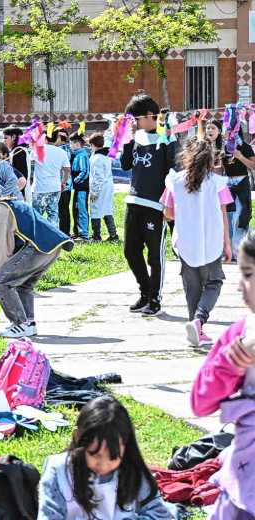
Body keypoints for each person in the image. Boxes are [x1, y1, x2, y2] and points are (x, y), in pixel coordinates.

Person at [190, 230, 255, 519]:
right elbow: (200, 402)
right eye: (242, 273)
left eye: (250, 274)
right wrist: (230, 365)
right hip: (244, 482)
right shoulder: (240, 335)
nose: (241, 285)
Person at [38, 395, 173, 520]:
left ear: (126, 446)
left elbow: (161, 515)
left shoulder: (133, 471)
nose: (103, 465)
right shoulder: (59, 470)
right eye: (95, 455)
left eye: (113, 457)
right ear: (78, 438)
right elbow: (49, 516)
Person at [0, 181, 72, 338]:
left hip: (38, 247)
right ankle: (29, 323)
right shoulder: (4, 204)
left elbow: (1, 251)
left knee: (0, 282)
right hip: (51, 245)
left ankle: (20, 323)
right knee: (23, 285)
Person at [161, 138, 233, 347]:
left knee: (191, 287)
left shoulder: (174, 181)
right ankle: (199, 320)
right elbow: (223, 214)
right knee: (214, 282)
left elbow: (168, 214)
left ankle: (195, 327)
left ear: (187, 157)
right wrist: (227, 243)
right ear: (211, 160)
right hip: (211, 241)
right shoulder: (217, 183)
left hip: (185, 242)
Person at [120, 93, 178, 316]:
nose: (134, 123)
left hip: (156, 206)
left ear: (149, 115)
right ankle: (144, 292)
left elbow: (173, 170)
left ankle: (155, 298)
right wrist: (126, 140)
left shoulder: (167, 138)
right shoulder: (137, 138)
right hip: (133, 202)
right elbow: (125, 165)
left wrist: (168, 205)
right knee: (130, 251)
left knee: (155, 255)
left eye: (136, 119)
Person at [218, 125, 255, 257]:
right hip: (227, 183)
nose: (227, 133)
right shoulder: (223, 147)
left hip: (242, 182)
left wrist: (240, 157)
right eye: (226, 130)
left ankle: (238, 251)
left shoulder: (245, 146)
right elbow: (219, 167)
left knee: (241, 216)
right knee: (227, 217)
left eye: (230, 130)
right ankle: (227, 251)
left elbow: (253, 165)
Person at [31, 129, 71, 228]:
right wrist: (64, 182)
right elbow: (67, 170)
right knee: (53, 214)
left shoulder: (38, 149)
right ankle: (54, 238)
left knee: (37, 214)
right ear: (56, 138)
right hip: (55, 187)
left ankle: (37, 237)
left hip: (39, 188)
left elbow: (29, 162)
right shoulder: (61, 152)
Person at [88, 133, 119, 242]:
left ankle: (96, 236)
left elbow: (98, 177)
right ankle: (113, 235)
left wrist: (94, 192)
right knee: (107, 210)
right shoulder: (106, 156)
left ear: (92, 144)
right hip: (108, 186)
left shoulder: (97, 158)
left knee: (95, 210)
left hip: (100, 187)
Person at [69, 134, 92, 240]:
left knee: (81, 209)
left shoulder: (82, 155)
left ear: (77, 143)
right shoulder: (78, 154)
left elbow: (85, 171)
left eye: (71, 143)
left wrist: (75, 181)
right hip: (78, 188)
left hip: (82, 187)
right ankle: (77, 232)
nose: (70, 146)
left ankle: (84, 234)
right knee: (76, 209)